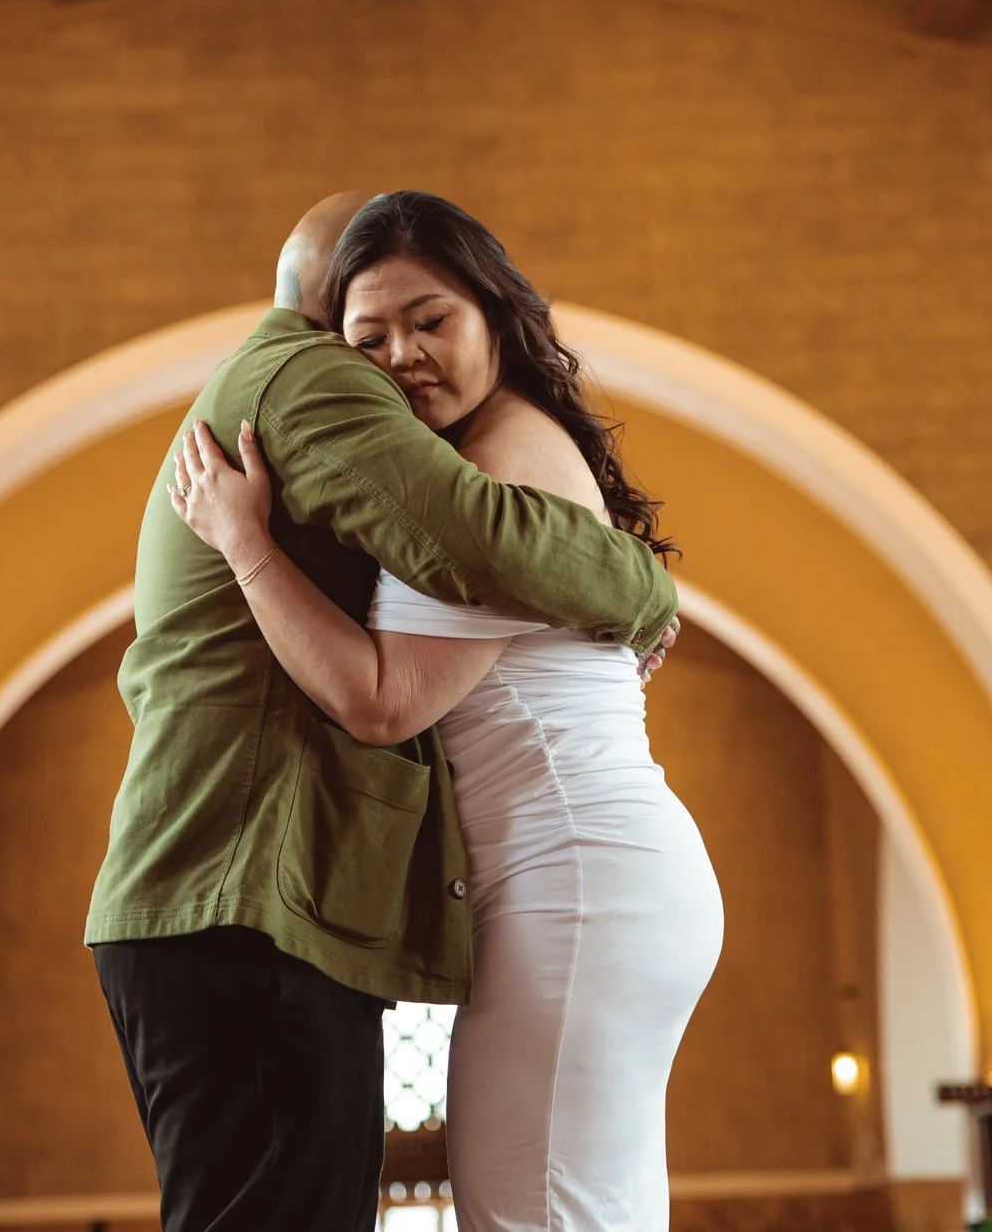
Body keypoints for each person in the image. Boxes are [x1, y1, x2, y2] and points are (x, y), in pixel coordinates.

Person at [87, 190, 683, 1232]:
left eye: (430, 319)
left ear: (496, 311)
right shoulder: (310, 379)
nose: (397, 356)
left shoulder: (460, 438)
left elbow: (468, 550)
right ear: (328, 318)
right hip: (254, 893)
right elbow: (465, 558)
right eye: (371, 333)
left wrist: (641, 590)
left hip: (503, 880)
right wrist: (641, 589)